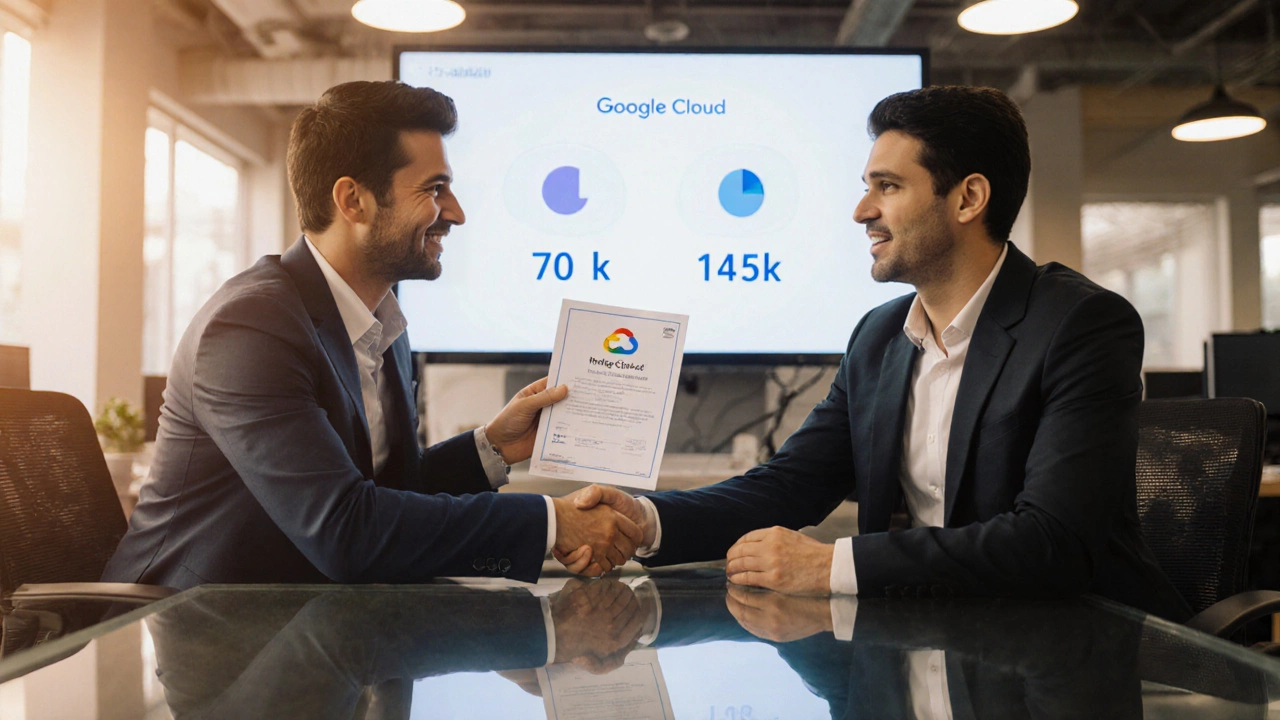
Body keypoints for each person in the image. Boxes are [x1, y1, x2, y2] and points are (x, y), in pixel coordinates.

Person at [568, 85, 1192, 622]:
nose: (862, 211)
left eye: (887, 187)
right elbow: (789, 487)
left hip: (1072, 652)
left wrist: (833, 564)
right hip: (933, 634)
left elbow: (1051, 543)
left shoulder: (1080, 324)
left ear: (969, 199)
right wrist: (644, 521)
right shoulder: (880, 336)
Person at [102, 80, 639, 590]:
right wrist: (550, 523)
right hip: (185, 637)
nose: (455, 213)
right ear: (353, 201)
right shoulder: (249, 329)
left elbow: (387, 497)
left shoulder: (382, 324)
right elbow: (345, 529)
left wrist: (493, 446)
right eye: (434, 189)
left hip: (302, 632)